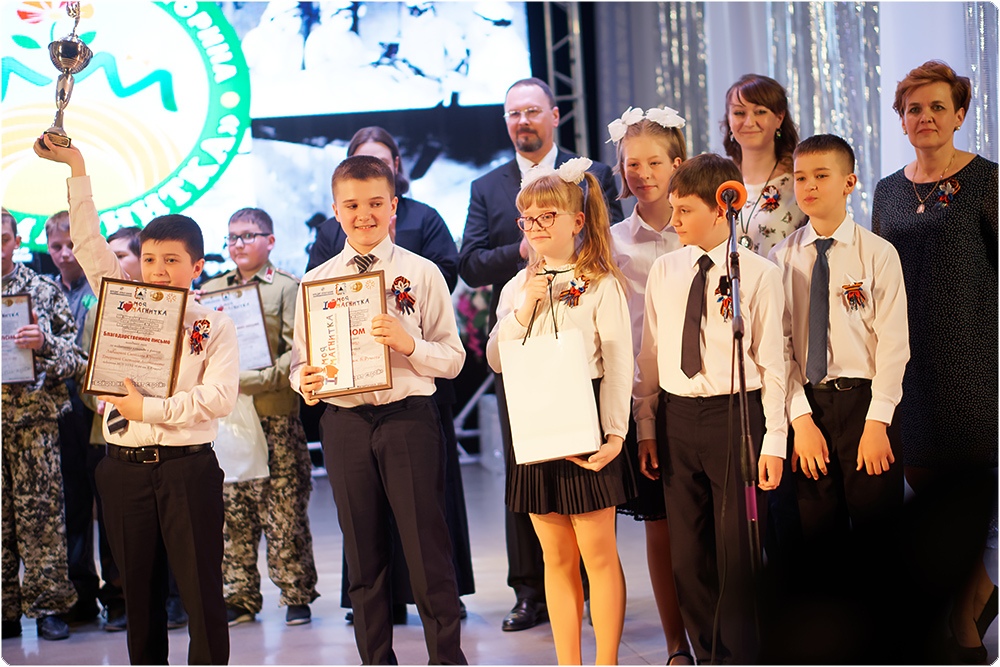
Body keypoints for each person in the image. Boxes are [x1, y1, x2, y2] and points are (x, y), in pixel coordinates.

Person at [36, 134, 239, 665]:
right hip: (123, 468)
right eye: (149, 259)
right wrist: (77, 166)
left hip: (187, 469)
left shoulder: (213, 325)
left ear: (197, 266)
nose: (158, 270)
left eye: (172, 260)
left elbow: (218, 398)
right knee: (138, 601)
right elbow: (87, 241)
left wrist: (147, 410)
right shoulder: (122, 302)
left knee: (201, 597)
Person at [458, 76, 622, 632]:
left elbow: (607, 237)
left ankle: (594, 596)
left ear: (554, 115)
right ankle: (530, 591)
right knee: (526, 472)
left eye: (532, 110)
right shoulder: (487, 186)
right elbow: (471, 263)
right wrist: (522, 252)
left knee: (586, 499)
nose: (522, 120)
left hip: (581, 344)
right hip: (523, 351)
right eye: (513, 113)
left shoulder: (590, 174)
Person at [291, 155, 467, 665]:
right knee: (363, 557)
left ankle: (446, 659)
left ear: (393, 206)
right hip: (344, 424)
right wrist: (305, 383)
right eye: (351, 205)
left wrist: (410, 345)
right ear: (335, 211)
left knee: (427, 549)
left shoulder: (421, 272)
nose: (363, 215)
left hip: (408, 418)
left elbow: (453, 358)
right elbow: (301, 363)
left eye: (374, 203)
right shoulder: (316, 282)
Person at [632, 153, 786, 663]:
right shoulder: (665, 270)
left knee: (737, 552)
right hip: (678, 418)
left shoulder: (757, 275)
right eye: (673, 208)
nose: (673, 220)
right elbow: (650, 355)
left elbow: (774, 364)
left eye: (684, 210)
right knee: (688, 555)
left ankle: (743, 654)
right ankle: (708, 652)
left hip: (736, 415)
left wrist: (775, 440)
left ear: (722, 208)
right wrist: (647, 425)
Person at [871, 60, 998, 663]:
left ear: (960, 115)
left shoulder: (988, 181)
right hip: (908, 364)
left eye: (937, 107)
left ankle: (965, 618)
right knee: (927, 498)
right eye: (914, 109)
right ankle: (953, 612)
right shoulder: (886, 191)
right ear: (901, 120)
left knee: (976, 498)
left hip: (977, 359)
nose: (925, 117)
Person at [485, 159, 635, 665]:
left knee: (598, 555)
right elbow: (496, 359)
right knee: (556, 557)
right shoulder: (515, 287)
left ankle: (606, 661)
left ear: (577, 220)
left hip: (586, 423)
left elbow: (618, 365)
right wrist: (523, 307)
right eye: (528, 218)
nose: (536, 226)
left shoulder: (601, 283)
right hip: (536, 426)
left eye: (548, 215)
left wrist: (615, 435)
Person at [769, 133, 909, 551]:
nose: (809, 186)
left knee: (877, 539)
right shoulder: (781, 258)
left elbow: (894, 345)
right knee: (819, 540)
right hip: (809, 407)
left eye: (821, 175)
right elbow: (781, 347)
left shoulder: (878, 253)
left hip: (866, 405)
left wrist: (877, 422)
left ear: (849, 183)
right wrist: (800, 421)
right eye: (800, 177)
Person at [201, 207, 320, 628]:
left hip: (274, 415)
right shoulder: (210, 291)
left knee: (284, 509)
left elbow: (299, 350)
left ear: (270, 241)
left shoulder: (287, 288)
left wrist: (251, 380)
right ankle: (239, 596)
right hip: (228, 420)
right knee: (232, 509)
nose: (238, 244)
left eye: (248, 236)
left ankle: (296, 594)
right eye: (232, 237)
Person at [605, 106, 694, 665]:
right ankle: (675, 643)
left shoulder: (707, 230)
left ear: (677, 163)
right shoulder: (613, 242)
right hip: (647, 397)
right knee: (659, 524)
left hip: (706, 392)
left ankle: (721, 635)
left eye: (654, 162)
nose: (641, 174)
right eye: (631, 164)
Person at [1, 208, 82, 642]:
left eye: (3, 239)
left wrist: (44, 342)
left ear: (16, 242)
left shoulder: (42, 291)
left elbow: (77, 359)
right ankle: (4, 611)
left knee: (42, 518)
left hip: (35, 423)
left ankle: (49, 607)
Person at [45, 210, 102, 626]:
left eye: (72, 246)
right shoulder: (43, 293)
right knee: (73, 504)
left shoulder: (101, 289)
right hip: (62, 409)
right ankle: (81, 594)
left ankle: (119, 594)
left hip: (99, 407)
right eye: (57, 247)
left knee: (109, 501)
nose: (65, 254)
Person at [721, 73, 806, 257]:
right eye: (739, 113)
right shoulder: (718, 182)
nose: (749, 122)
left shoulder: (800, 182)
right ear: (728, 119)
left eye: (760, 112)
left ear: (779, 118)